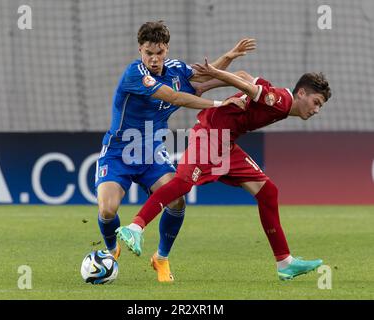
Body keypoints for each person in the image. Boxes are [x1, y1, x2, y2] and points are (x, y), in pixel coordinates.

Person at [116, 58, 332, 281]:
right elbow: (246, 86)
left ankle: (284, 263)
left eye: (320, 106)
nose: (316, 110)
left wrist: (208, 84)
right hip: (211, 134)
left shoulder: (276, 94)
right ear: (302, 94)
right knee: (183, 182)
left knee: (268, 192)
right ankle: (135, 227)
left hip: (226, 144)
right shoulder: (280, 101)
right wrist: (216, 73)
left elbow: (244, 75)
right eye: (316, 102)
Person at [95, 20, 255, 282]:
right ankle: (112, 252)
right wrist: (220, 104)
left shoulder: (176, 68)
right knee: (108, 210)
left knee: (177, 200)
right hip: (119, 153)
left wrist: (229, 56)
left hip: (153, 153)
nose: (154, 59)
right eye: (149, 53)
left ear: (166, 50)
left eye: (159, 53)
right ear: (140, 51)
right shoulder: (135, 74)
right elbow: (174, 97)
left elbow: (204, 75)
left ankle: (161, 258)